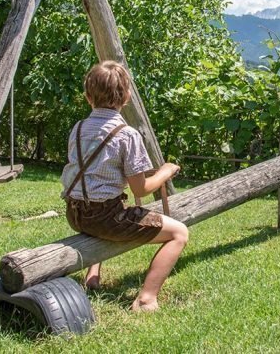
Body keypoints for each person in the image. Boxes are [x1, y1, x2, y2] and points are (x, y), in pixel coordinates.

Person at [61, 60, 188, 312]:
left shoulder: (78, 128)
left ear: (88, 96)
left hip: (75, 213)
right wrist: (165, 172)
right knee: (179, 233)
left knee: (102, 202)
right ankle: (147, 298)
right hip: (105, 217)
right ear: (127, 96)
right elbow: (140, 190)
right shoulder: (127, 135)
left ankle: (92, 274)